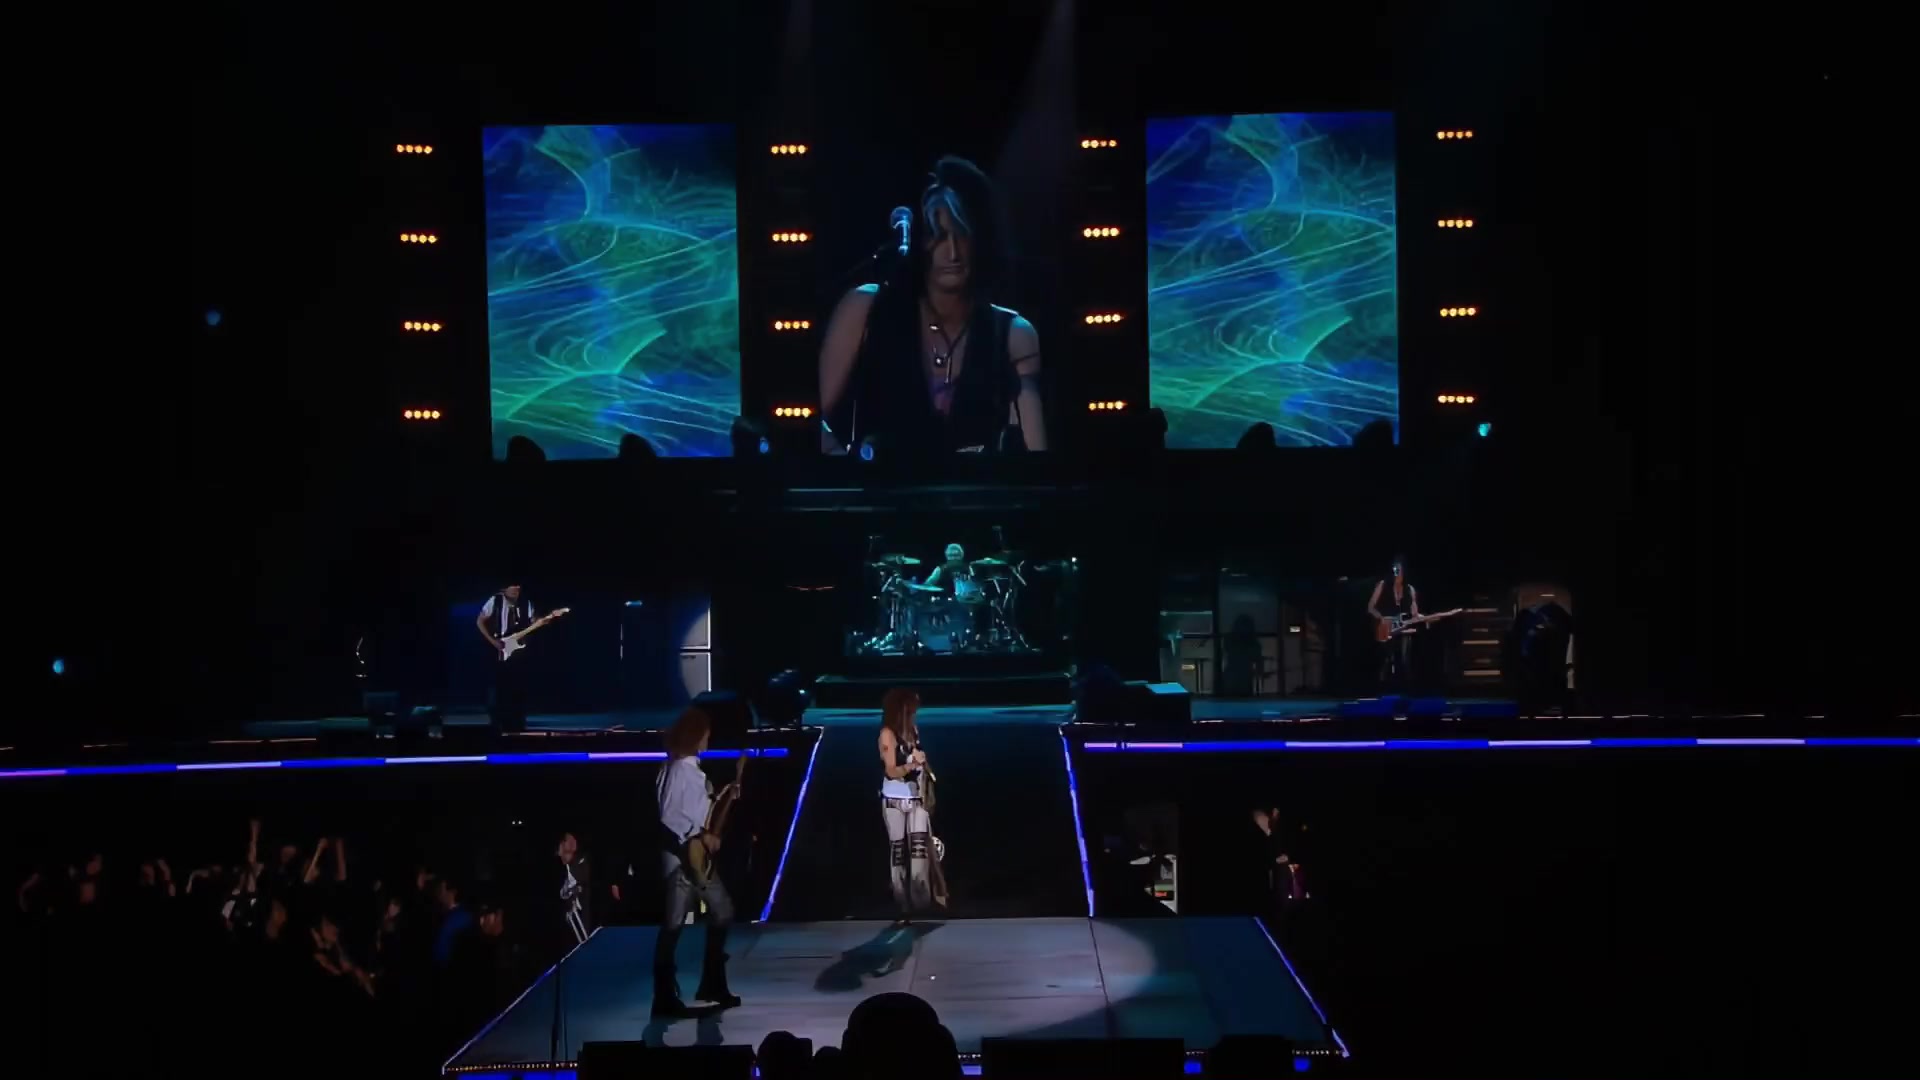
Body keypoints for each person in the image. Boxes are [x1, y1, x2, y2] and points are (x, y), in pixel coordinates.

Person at [818, 156, 1048, 457]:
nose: (952, 253)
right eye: (938, 236)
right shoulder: (866, 309)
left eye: (962, 235)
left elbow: (1035, 461)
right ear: (919, 241)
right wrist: (845, 467)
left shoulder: (1013, 335)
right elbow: (806, 421)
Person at [652, 708, 740, 1016]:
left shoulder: (684, 769)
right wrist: (702, 835)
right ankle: (678, 992)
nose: (708, 739)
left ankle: (702, 985)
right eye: (705, 734)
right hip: (684, 859)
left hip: (690, 858)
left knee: (682, 922)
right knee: (709, 913)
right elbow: (670, 815)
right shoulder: (680, 770)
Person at [877, 688, 937, 922]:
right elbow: (891, 771)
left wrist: (921, 763)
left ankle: (921, 900)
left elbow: (917, 758)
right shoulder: (887, 735)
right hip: (894, 800)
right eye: (912, 709)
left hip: (916, 798)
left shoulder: (913, 731)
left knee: (920, 852)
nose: (915, 713)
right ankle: (903, 906)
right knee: (898, 854)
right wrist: (912, 765)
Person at [477, 584, 534, 731]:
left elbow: (532, 622)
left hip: (518, 651)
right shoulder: (495, 601)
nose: (516, 589)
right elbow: (480, 621)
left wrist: (540, 622)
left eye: (518, 586)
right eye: (512, 586)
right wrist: (493, 642)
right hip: (498, 648)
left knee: (517, 686)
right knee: (498, 686)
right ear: (504, 589)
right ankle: (497, 721)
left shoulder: (525, 603)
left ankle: (517, 721)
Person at [1365, 555, 1419, 692]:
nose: (1397, 574)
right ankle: (1383, 688)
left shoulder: (1410, 589)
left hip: (1403, 629)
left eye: (1399, 570)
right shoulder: (1383, 585)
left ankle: (1406, 689)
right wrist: (1381, 618)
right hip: (1386, 628)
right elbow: (1371, 607)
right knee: (1388, 659)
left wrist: (1417, 615)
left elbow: (1414, 612)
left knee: (1405, 659)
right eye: (1395, 570)